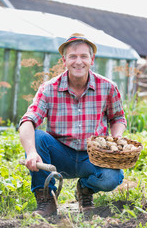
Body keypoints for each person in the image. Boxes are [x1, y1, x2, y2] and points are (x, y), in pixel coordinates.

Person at [19, 33, 127, 217]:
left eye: (84, 56)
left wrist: (115, 139)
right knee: (37, 137)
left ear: (92, 59)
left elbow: (117, 118)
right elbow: (27, 120)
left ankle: (85, 190)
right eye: (73, 56)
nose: (79, 61)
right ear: (64, 60)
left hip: (93, 156)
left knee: (112, 178)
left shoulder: (107, 87)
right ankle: (47, 201)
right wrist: (31, 151)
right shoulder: (49, 88)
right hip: (60, 155)